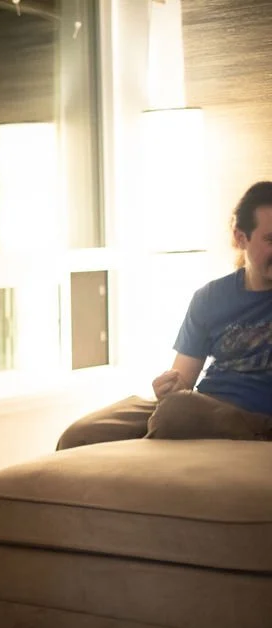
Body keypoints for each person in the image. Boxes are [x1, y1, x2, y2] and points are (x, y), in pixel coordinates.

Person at [57, 180, 272, 450]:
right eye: (271, 239)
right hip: (199, 405)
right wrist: (170, 387)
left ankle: (143, 463)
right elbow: (183, 380)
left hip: (253, 420)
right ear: (241, 238)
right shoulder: (210, 297)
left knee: (176, 414)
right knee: (80, 435)